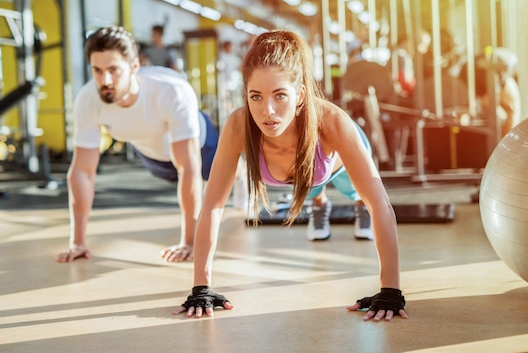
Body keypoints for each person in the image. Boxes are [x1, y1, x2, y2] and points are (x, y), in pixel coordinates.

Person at [173, 30, 407, 321]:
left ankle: (344, 202)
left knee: (360, 197)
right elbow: (213, 206)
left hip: (336, 165)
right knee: (309, 188)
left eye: (280, 95)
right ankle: (319, 204)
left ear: (300, 96)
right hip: (302, 177)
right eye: (255, 96)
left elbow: (381, 205)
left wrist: (390, 290)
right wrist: (201, 287)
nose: (267, 111)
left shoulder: (331, 122)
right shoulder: (238, 124)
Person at [56, 26, 218, 263]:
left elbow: (189, 167)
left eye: (114, 70)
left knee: (216, 177)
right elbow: (82, 170)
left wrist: (189, 242)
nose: (105, 80)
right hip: (152, 154)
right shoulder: (88, 99)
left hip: (201, 145)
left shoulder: (170, 91)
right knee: (173, 174)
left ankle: (241, 172)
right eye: (97, 71)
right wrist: (77, 242)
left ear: (134, 67)